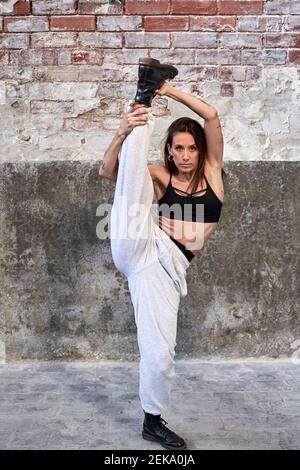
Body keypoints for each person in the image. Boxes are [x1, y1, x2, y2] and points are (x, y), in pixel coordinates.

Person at [99, 58, 224, 450]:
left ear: (199, 150)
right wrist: (121, 132)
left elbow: (212, 115)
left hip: (163, 271)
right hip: (138, 240)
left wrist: (168, 90)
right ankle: (140, 104)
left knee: (160, 353)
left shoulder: (213, 172)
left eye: (191, 148)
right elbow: (109, 174)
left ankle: (152, 421)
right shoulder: (160, 175)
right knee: (132, 179)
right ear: (169, 151)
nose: (185, 155)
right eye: (178, 149)